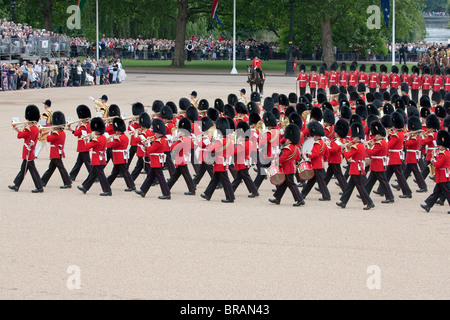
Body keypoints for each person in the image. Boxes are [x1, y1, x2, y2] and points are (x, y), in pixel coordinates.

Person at [336, 122, 375, 210]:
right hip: (357, 167)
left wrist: (344, 148)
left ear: (357, 137)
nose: (352, 138)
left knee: (360, 187)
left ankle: (369, 202)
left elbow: (347, 156)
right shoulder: (360, 145)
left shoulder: (356, 146)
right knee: (349, 186)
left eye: (353, 137)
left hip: (355, 168)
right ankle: (343, 201)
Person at [9, 105, 44, 193]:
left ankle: (39, 187)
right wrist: (19, 129)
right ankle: (17, 185)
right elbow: (23, 135)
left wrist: (19, 129)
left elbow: (20, 136)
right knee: (23, 169)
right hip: (30, 151)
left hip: (28, 151)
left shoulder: (29, 129)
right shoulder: (35, 128)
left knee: (32, 170)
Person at [201, 117, 235, 203]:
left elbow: (211, 149)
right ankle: (207, 194)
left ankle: (230, 197)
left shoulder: (221, 141)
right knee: (215, 179)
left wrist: (210, 141)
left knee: (225, 181)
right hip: (223, 161)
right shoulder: (229, 141)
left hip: (220, 163)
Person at [135, 118, 171, 199]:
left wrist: (147, 144)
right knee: (150, 177)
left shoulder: (159, 141)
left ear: (159, 133)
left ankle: (166, 193)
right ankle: (143, 190)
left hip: (156, 161)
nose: (154, 134)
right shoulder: (161, 140)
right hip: (156, 161)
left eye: (156, 133)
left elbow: (150, 150)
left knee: (161, 179)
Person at [269, 123, 305, 206]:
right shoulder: (296, 148)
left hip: (287, 169)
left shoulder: (288, 148)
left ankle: (300, 199)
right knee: (283, 184)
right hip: (291, 168)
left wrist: (275, 162)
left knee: (291, 184)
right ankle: (277, 198)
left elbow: (283, 158)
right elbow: (297, 158)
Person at [77, 117, 112, 196]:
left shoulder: (97, 139)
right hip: (100, 158)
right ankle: (85, 187)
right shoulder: (103, 137)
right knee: (92, 175)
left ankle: (107, 190)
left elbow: (87, 147)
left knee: (101, 176)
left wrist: (86, 139)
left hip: (96, 159)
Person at [420, 130, 450, 213]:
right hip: (441, 176)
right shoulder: (445, 152)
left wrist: (433, 161)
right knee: (436, 192)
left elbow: (437, 164)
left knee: (448, 193)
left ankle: (428, 205)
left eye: (440, 145)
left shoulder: (444, 154)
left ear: (444, 146)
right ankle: (428, 206)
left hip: (443, 176)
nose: (439, 146)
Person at [41, 111, 72, 189]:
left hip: (55, 153)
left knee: (61, 168)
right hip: (58, 151)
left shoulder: (56, 133)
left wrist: (48, 132)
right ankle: (42, 181)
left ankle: (67, 182)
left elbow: (48, 139)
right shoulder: (61, 132)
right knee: (51, 168)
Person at [166, 118, 196, 195]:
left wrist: (174, 141)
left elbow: (173, 147)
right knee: (175, 176)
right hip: (181, 159)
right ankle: (167, 187)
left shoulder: (183, 139)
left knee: (186, 176)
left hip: (182, 160)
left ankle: (192, 189)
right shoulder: (186, 138)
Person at [106, 118, 136, 192]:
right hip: (121, 156)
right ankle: (107, 183)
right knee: (115, 172)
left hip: (119, 156)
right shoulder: (124, 137)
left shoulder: (118, 138)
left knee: (124, 171)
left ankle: (131, 185)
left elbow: (110, 145)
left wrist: (108, 140)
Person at [231, 121, 259, 198]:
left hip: (241, 163)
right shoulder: (248, 142)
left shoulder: (242, 144)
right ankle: (231, 190)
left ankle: (254, 191)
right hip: (243, 162)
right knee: (238, 178)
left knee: (246, 178)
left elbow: (233, 152)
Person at [69, 105, 92, 181]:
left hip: (83, 146)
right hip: (83, 145)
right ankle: (72, 175)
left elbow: (77, 133)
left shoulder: (84, 126)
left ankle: (94, 176)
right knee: (79, 162)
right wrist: (71, 130)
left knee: (88, 163)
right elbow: (76, 133)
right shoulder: (87, 125)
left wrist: (77, 126)